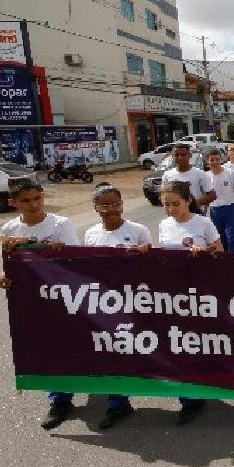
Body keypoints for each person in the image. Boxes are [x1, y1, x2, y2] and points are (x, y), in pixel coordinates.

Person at [0, 178, 80, 430]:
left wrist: (59, 252)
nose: (34, 205)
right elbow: (10, 265)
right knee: (48, 349)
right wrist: (3, 277)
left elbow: (79, 262)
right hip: (32, 300)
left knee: (73, 346)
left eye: (37, 198)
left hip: (64, 296)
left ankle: (100, 388)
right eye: (26, 201)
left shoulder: (61, 224)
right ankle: (59, 400)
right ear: (13, 202)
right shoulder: (9, 229)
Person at [83, 182, 153, 428]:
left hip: (137, 302)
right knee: (113, 352)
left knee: (150, 349)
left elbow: (155, 267)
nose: (112, 209)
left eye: (116, 203)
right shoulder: (91, 235)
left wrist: (145, 254)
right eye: (105, 205)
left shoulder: (138, 230)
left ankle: (186, 397)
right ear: (96, 208)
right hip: (107, 305)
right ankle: (118, 403)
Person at [158, 180, 223, 424]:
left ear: (188, 200)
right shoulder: (164, 225)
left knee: (202, 341)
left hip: (201, 294)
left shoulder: (203, 223)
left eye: (176, 204)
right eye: (166, 205)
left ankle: (211, 381)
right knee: (180, 344)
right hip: (174, 296)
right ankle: (190, 398)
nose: (171, 209)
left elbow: (220, 251)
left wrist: (204, 254)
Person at [206, 148, 234, 253]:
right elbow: (206, 196)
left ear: (221, 160)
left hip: (230, 209)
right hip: (215, 210)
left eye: (217, 159)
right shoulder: (206, 176)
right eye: (212, 160)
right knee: (220, 239)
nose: (215, 162)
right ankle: (224, 259)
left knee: (232, 238)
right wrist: (203, 213)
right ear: (207, 161)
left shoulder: (230, 173)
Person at [162, 143, 215, 214]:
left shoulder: (200, 174)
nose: (180, 157)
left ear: (190, 155)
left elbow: (212, 196)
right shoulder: (167, 175)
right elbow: (163, 195)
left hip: (195, 214)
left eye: (183, 154)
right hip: (175, 214)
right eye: (176, 155)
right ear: (172, 156)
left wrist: (193, 204)